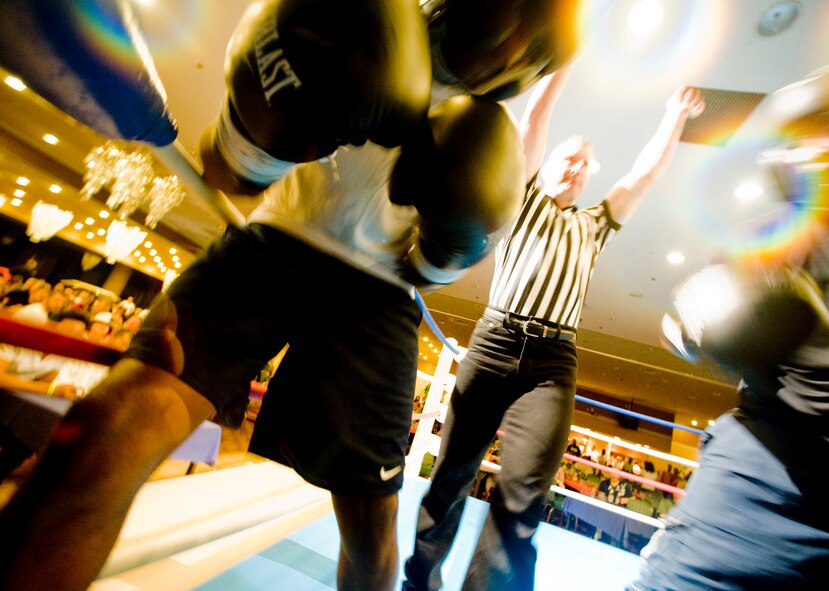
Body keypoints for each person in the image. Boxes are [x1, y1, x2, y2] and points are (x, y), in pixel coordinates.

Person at [0, 2, 585, 591]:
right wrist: (258, 132)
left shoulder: (495, 138)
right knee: (103, 437)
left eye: (533, 55)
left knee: (371, 539)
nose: (510, 54)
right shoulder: (363, 17)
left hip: (379, 301)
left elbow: (432, 269)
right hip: (266, 251)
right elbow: (225, 170)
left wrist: (445, 244)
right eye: (510, 29)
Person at [402, 59, 705, 591]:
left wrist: (674, 116)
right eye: (570, 158)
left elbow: (645, 174)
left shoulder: (595, 224)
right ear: (545, 166)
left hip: (552, 365)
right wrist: (562, 62)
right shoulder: (522, 201)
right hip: (494, 343)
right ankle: (420, 579)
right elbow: (535, 118)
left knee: (523, 495)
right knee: (451, 474)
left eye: (586, 165)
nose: (578, 169)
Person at [632, 57, 829, 590]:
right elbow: (676, 328)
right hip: (766, 478)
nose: (815, 152)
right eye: (800, 140)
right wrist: (702, 318)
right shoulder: (775, 235)